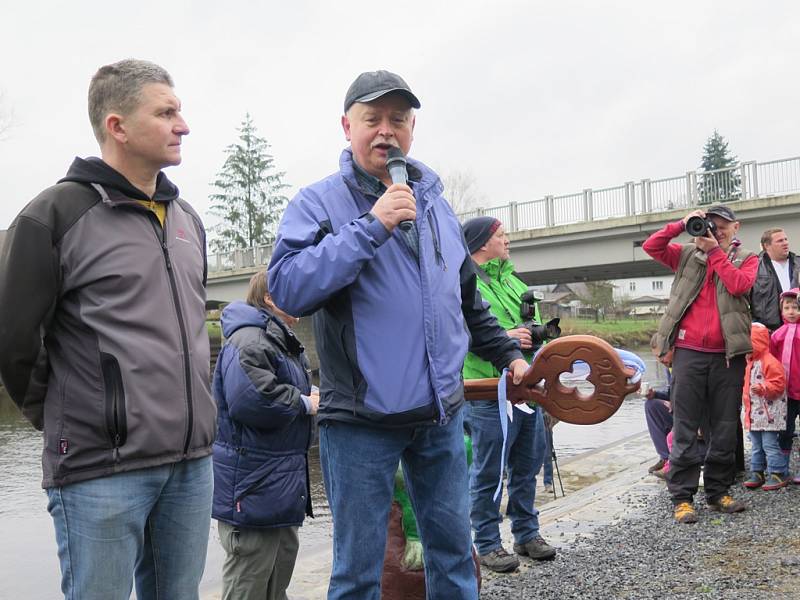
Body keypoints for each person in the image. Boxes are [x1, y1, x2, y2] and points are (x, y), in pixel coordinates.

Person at [267, 70, 528, 600]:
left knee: (454, 556)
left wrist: (508, 358)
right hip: (360, 421)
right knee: (357, 573)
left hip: (440, 415)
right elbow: (288, 288)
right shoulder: (317, 203)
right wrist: (372, 226)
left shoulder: (436, 204)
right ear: (347, 126)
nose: (386, 131)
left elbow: (466, 301)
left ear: (412, 128)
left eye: (398, 119)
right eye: (372, 119)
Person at [0, 59, 215, 599]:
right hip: (101, 470)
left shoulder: (187, 219)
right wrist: (79, 418)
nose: (182, 125)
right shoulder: (54, 215)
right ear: (117, 126)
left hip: (191, 466)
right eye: (166, 113)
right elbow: (14, 338)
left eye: (180, 111)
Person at [644, 204, 757, 524]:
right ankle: (682, 497)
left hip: (727, 355)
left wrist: (716, 253)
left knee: (723, 427)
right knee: (684, 427)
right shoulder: (686, 255)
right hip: (688, 352)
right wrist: (682, 223)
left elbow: (739, 286)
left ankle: (718, 491)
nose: (717, 230)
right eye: (711, 224)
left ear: (737, 228)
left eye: (724, 226)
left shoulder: (747, 258)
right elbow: (652, 246)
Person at [212, 270, 319, 600]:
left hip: (276, 487)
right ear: (270, 298)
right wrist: (304, 402)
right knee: (249, 584)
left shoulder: (277, 338)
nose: (302, 296)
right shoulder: (250, 339)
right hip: (255, 488)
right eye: (293, 289)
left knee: (274, 583)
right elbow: (252, 400)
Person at [460, 216, 555, 573]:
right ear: (482, 242)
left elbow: (537, 333)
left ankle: (526, 534)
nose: (508, 239)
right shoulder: (466, 283)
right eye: (501, 235)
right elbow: (463, 334)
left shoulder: (515, 282)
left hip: (526, 388)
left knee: (527, 465)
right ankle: (486, 543)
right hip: (486, 390)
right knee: (487, 472)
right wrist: (508, 339)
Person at [742, 323, 788, 490]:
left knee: (769, 444)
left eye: (748, 343)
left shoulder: (769, 362)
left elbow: (779, 384)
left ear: (758, 342)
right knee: (756, 444)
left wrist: (763, 388)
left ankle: (778, 472)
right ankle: (757, 471)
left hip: (769, 414)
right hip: (754, 414)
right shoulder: (749, 362)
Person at [769, 288, 800, 484]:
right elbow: (770, 361)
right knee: (785, 430)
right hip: (784, 393)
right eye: (787, 307)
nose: (791, 311)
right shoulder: (776, 335)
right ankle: (781, 469)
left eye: (795, 307)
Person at [751, 228, 797, 331]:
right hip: (768, 332)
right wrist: (754, 324)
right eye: (780, 241)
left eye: (786, 239)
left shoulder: (798, 264)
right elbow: (744, 301)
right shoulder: (754, 268)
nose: (785, 243)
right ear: (767, 246)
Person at [644, 335, 674, 479]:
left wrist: (676, 403)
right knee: (651, 405)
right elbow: (670, 393)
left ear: (673, 349)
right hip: (678, 409)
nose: (660, 360)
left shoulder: (685, 365)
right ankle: (666, 457)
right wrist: (654, 394)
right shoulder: (669, 367)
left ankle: (673, 462)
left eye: (662, 355)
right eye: (656, 357)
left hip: (692, 412)